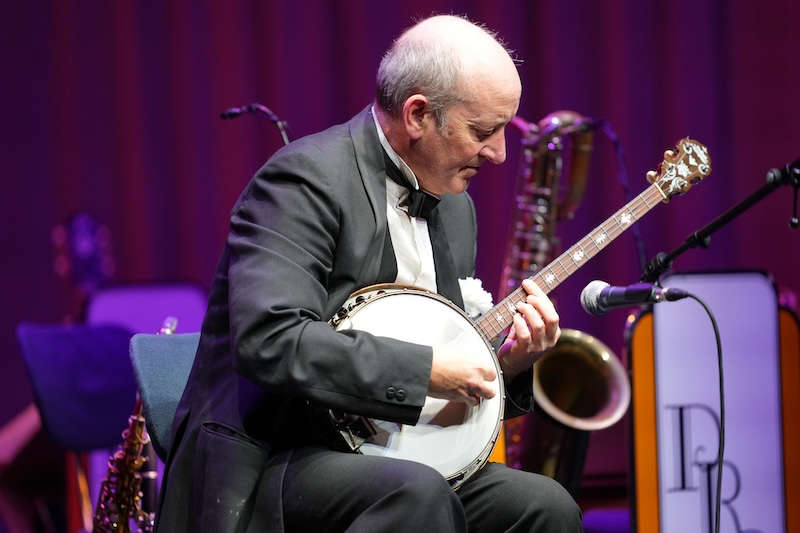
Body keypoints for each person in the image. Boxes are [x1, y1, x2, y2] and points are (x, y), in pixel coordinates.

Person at [157, 14, 582, 533]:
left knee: (545, 507)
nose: (498, 153)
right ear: (418, 114)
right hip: (277, 455)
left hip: (392, 457)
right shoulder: (302, 181)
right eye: (483, 132)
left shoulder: (454, 206)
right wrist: (425, 370)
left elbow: (437, 350)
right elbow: (269, 339)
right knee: (415, 495)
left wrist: (508, 363)